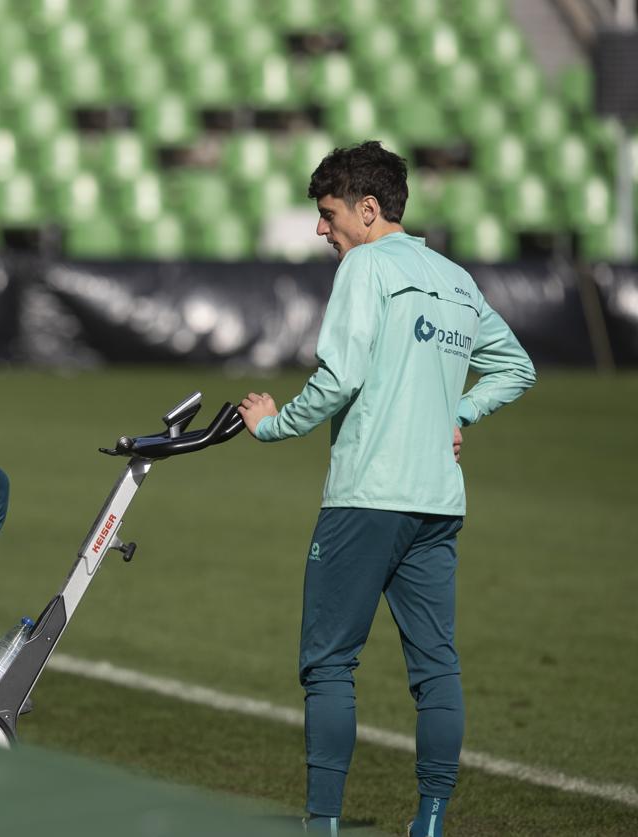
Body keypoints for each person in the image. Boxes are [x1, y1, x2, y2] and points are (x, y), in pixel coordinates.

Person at [235, 141, 536, 837]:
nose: (320, 228)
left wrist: (274, 425)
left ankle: (324, 823)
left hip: (366, 498)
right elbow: (515, 368)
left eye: (328, 212)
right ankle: (429, 820)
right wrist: (455, 412)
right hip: (437, 501)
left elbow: (340, 378)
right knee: (436, 669)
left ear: (367, 210)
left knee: (329, 663)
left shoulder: (365, 266)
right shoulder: (457, 278)